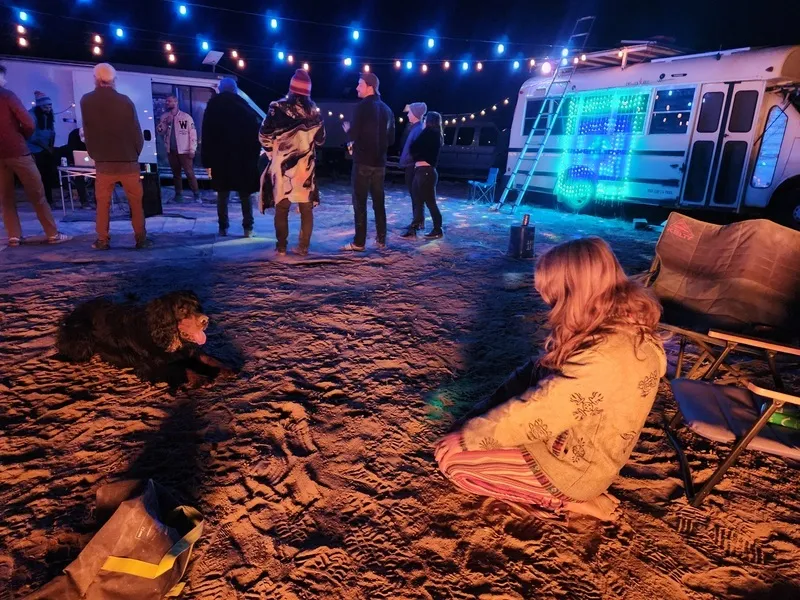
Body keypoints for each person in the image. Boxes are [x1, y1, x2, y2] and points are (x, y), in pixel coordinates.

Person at [435, 237, 666, 521]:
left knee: (454, 464)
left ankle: (568, 501)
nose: (544, 297)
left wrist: (470, 437)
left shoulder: (606, 357)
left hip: (573, 468)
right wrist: (480, 415)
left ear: (573, 290)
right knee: (513, 393)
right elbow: (537, 374)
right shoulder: (621, 323)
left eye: (551, 291)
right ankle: (570, 491)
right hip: (576, 449)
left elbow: (541, 414)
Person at [80, 63, 150, 250]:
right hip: (128, 161)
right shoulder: (125, 101)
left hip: (103, 162)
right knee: (135, 203)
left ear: (96, 78)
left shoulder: (86, 101)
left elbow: (88, 131)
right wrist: (134, 153)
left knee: (102, 203)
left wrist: (94, 154)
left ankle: (102, 239)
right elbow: (136, 133)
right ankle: (140, 238)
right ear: (114, 80)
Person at [0, 65, 70, 246]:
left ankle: (14, 236)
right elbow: (28, 123)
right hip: (18, 152)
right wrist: (20, 137)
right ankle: (52, 234)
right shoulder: (7, 96)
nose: (5, 80)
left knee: (6, 197)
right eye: (3, 77)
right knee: (37, 193)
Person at [259, 69, 325, 256]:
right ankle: (303, 247)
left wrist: (273, 153)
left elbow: (263, 136)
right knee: (306, 208)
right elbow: (321, 140)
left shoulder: (276, 108)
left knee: (282, 207)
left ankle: (281, 247)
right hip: (305, 168)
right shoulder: (314, 113)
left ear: (291, 88)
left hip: (282, 168)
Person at [201, 77, 262, 238]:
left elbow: (207, 134)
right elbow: (255, 135)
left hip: (221, 159)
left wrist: (208, 160)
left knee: (222, 194)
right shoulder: (244, 107)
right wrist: (253, 157)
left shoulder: (212, 106)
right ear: (234, 89)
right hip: (242, 159)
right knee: (245, 194)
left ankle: (223, 228)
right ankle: (248, 228)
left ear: (221, 89)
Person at [341, 72, 394, 251]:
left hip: (363, 162)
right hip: (380, 164)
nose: (357, 87)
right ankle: (381, 239)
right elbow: (392, 139)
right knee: (379, 202)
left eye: (359, 84)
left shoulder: (362, 107)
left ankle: (359, 242)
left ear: (369, 86)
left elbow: (354, 134)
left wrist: (349, 129)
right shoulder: (387, 110)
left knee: (360, 202)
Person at [406, 111, 444, 239]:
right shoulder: (433, 134)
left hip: (425, 171)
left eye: (426, 119)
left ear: (430, 121)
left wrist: (415, 153)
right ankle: (415, 227)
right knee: (418, 200)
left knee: (429, 202)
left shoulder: (430, 133)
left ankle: (438, 229)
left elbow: (414, 147)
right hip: (423, 170)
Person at [157, 95, 200, 203]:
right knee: (176, 174)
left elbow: (193, 134)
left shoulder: (186, 117)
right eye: (166, 101)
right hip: (171, 151)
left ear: (176, 102)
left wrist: (192, 149)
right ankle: (178, 195)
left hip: (184, 151)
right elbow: (160, 132)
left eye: (169, 101)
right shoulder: (164, 117)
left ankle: (197, 195)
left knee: (189, 173)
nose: (167, 103)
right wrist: (165, 123)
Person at [398, 102, 427, 236]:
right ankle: (417, 222)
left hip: (413, 167)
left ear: (415, 114)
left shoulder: (419, 129)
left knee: (417, 196)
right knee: (415, 196)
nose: (408, 114)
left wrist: (410, 161)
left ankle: (416, 225)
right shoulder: (414, 128)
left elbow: (416, 150)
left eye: (410, 112)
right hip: (411, 166)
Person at [28, 91, 57, 207]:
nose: (48, 108)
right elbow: (32, 136)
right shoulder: (31, 115)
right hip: (35, 149)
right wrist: (47, 148)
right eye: (45, 106)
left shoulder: (49, 114)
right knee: (40, 176)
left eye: (50, 106)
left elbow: (52, 131)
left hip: (46, 148)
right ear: (39, 106)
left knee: (48, 175)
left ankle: (49, 200)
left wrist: (51, 146)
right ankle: (42, 201)